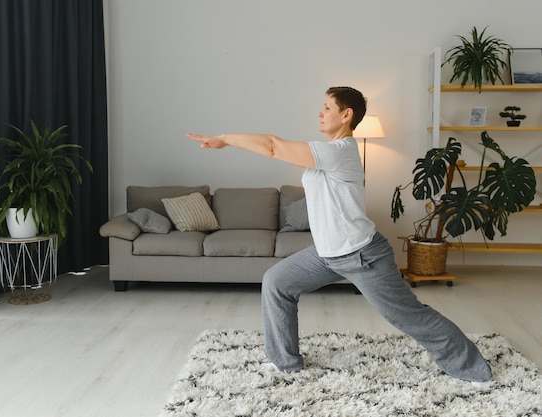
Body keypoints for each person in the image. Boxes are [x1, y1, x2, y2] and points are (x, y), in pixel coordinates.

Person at [185, 86, 492, 388]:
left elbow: (272, 146)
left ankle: (472, 367)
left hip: (362, 255)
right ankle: (285, 363)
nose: (320, 112)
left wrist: (225, 139)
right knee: (277, 283)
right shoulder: (326, 153)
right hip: (326, 253)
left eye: (327, 107)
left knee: (408, 316)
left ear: (347, 115)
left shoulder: (340, 152)